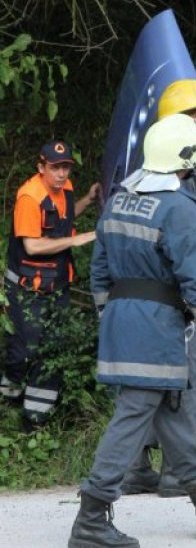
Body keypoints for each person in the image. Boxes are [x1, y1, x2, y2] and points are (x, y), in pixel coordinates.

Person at [68, 114, 196, 548]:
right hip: (158, 327)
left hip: (123, 322)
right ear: (185, 159)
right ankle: (91, 517)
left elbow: (100, 273)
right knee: (132, 417)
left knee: (169, 417)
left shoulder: (120, 200)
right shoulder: (178, 207)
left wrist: (115, 319)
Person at [122, 78, 196, 498]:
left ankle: (135, 468)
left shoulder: (154, 175)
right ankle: (178, 473)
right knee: (189, 382)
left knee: (142, 383)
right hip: (181, 304)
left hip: (147, 304)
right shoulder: (178, 178)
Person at [1, 140, 99, 427]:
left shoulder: (65, 189)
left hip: (57, 287)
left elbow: (64, 218)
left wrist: (87, 200)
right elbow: (32, 246)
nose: (61, 173)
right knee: (24, 350)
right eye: (55, 168)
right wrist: (76, 240)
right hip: (25, 289)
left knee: (52, 348)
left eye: (66, 167)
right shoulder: (30, 198)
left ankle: (35, 420)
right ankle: (8, 403)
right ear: (41, 167)